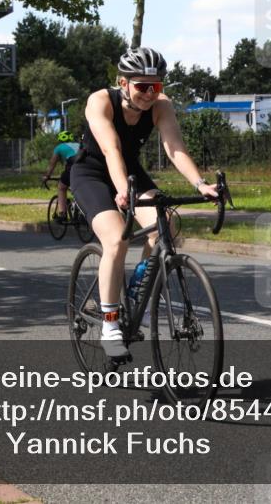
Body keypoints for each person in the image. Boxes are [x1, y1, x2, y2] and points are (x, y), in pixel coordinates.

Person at [70, 47, 218, 359]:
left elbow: (174, 147)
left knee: (166, 225)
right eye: (142, 86)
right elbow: (111, 150)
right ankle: (110, 324)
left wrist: (200, 183)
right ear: (122, 83)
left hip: (131, 172)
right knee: (116, 240)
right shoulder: (100, 101)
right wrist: (124, 191)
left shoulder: (161, 106)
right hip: (92, 173)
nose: (150, 94)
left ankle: (137, 289)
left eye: (156, 86)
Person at [42, 130, 80, 221]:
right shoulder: (79, 145)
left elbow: (52, 163)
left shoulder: (59, 147)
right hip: (86, 167)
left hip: (72, 168)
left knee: (61, 187)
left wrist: (47, 176)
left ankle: (62, 214)